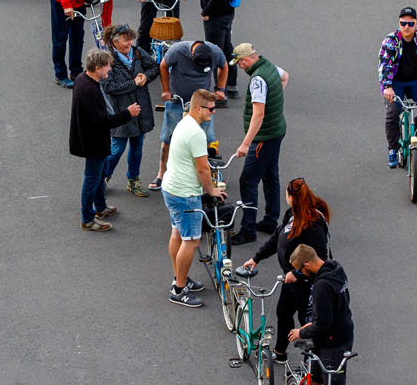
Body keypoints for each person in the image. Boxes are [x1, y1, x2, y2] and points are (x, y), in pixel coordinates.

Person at [242, 179, 331, 360]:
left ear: (291, 197)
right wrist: (256, 258)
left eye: (286, 194)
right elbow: (277, 238)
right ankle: (280, 352)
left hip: (308, 283)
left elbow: (319, 258)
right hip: (291, 280)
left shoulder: (314, 224)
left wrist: (297, 273)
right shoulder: (293, 214)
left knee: (306, 322)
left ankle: (310, 362)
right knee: (283, 313)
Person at [161, 87, 227, 306]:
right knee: (192, 240)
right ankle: (179, 289)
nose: (213, 113)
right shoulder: (197, 133)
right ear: (198, 108)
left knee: (177, 233)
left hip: (171, 188)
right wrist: (211, 191)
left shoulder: (184, 123)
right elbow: (203, 169)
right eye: (210, 109)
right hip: (186, 194)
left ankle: (180, 277)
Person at [69, 49, 140, 232]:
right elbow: (101, 121)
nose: (110, 68)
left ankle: (100, 208)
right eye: (107, 66)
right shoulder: (89, 90)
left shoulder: (83, 80)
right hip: (93, 142)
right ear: (98, 68)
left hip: (91, 139)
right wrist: (127, 114)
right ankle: (87, 218)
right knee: (92, 179)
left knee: (99, 176)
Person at [228, 43, 288, 247]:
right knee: (271, 175)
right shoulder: (269, 66)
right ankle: (271, 221)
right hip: (277, 130)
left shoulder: (257, 80)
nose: (240, 67)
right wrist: (276, 102)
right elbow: (285, 76)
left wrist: (246, 144)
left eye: (240, 63)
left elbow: (258, 114)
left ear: (246, 60)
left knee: (247, 181)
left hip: (263, 137)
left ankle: (248, 230)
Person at [151, 38, 228, 190]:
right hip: (177, 101)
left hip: (202, 104)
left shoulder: (215, 52)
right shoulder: (177, 51)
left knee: (208, 139)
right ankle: (161, 173)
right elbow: (164, 66)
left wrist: (221, 89)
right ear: (192, 55)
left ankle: (212, 173)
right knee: (168, 138)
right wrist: (166, 90)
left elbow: (224, 67)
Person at [49, 0, 133, 89]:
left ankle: (76, 72)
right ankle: (60, 75)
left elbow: (106, 4)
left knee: (77, 37)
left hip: (77, 1)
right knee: (60, 38)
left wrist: (107, 31)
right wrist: (67, 6)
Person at [287, 243, 353, 385]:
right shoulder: (336, 269)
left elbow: (324, 325)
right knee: (315, 380)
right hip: (339, 330)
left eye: (300, 270)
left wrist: (301, 332)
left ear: (307, 264)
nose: (300, 274)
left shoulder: (321, 286)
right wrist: (315, 322)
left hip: (333, 342)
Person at [378, 6, 417, 169]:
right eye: (403, 23)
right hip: (396, 83)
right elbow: (384, 64)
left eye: (410, 23)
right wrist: (387, 86)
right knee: (393, 113)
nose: (406, 26)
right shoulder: (390, 40)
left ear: (416, 24)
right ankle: (393, 149)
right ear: (399, 24)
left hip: (416, 81)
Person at [102, 23, 159, 196]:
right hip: (121, 112)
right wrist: (133, 83)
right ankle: (103, 177)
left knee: (137, 147)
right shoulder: (107, 60)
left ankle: (133, 180)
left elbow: (154, 67)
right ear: (114, 42)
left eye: (130, 40)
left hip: (140, 109)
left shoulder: (137, 53)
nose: (129, 44)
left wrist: (145, 77)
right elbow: (109, 87)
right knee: (116, 149)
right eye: (125, 41)